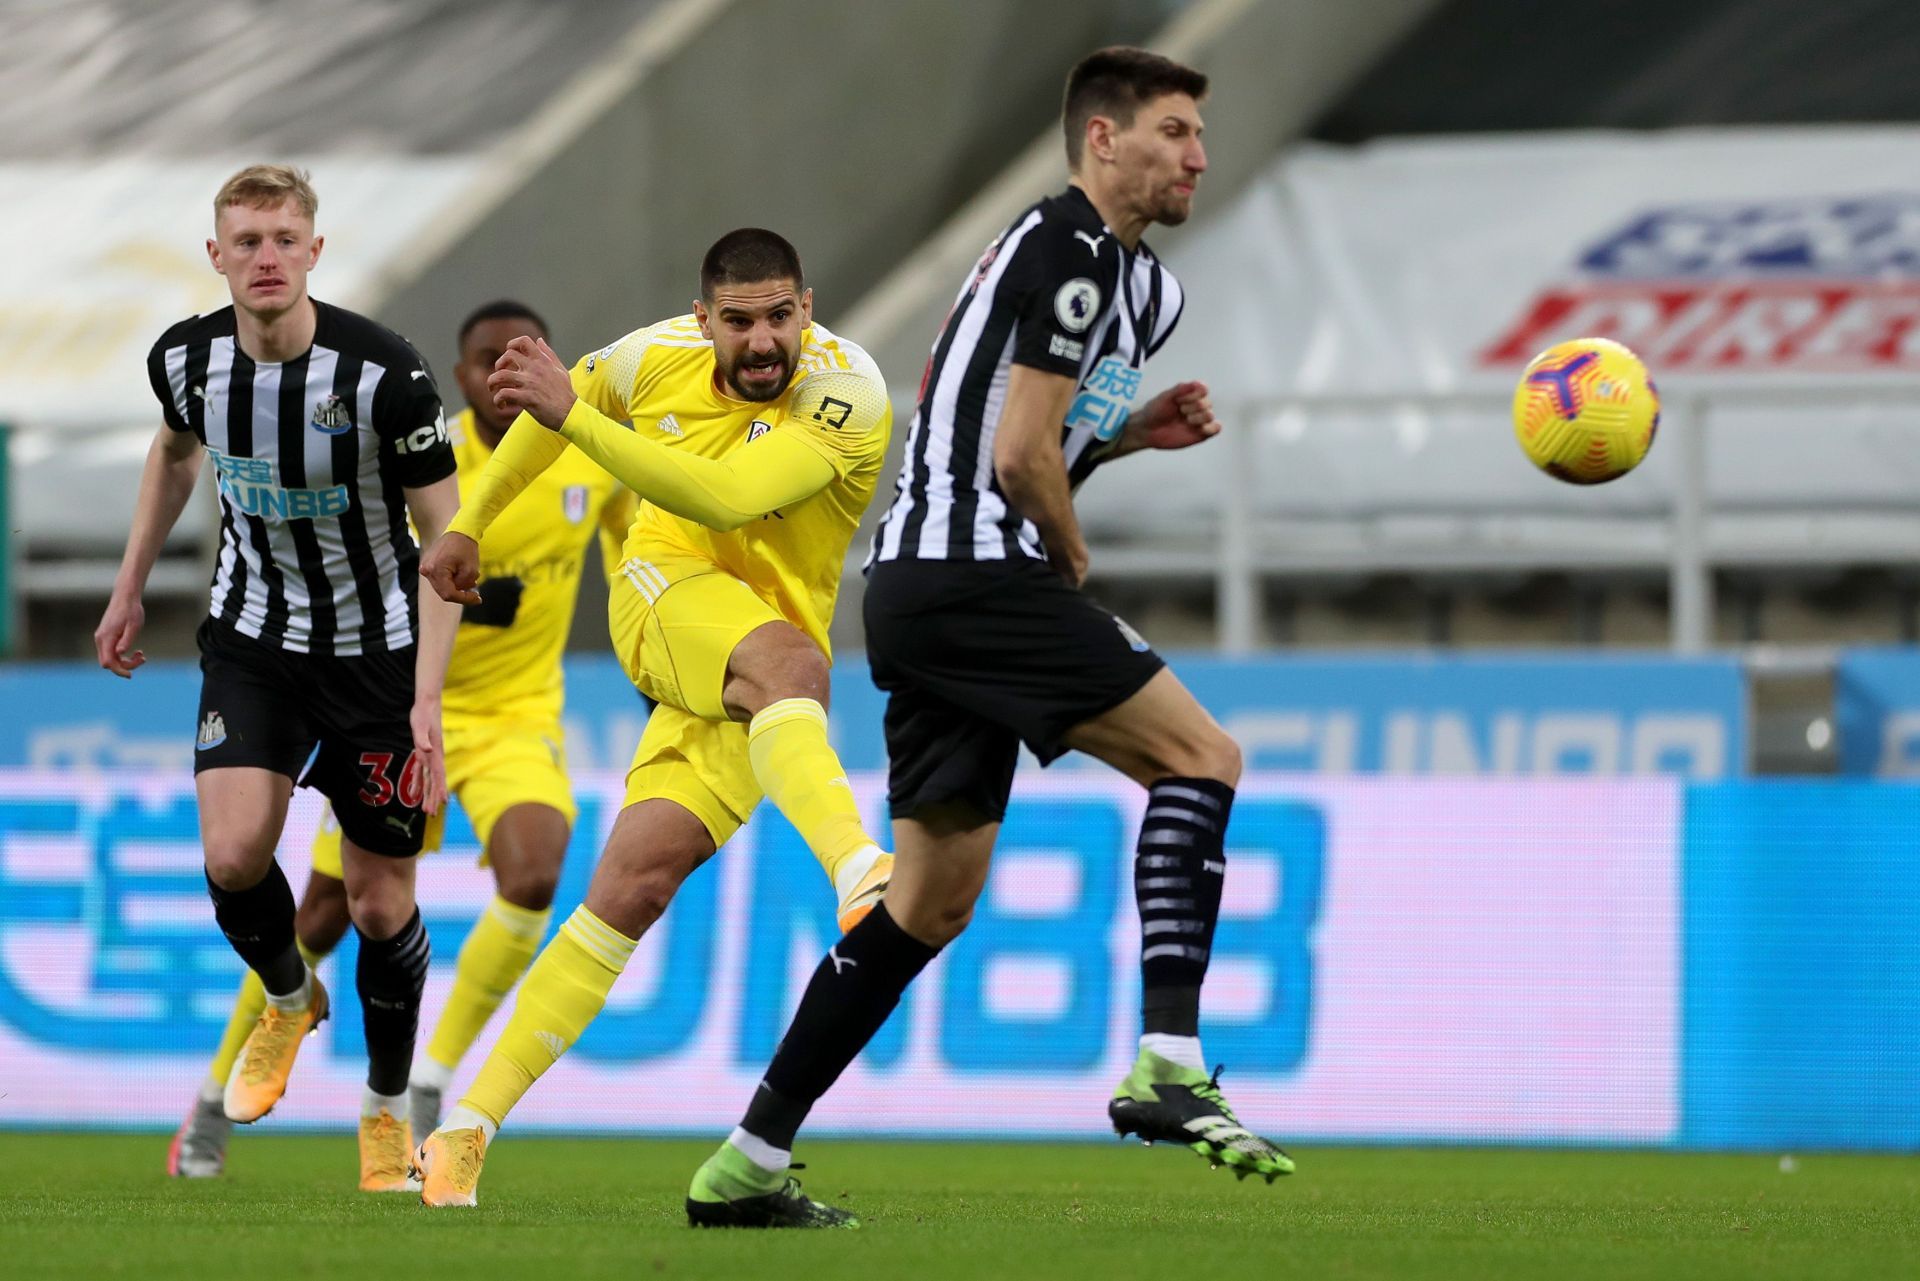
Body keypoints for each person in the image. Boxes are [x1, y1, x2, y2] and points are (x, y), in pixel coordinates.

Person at [685, 47, 1292, 1230]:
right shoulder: (1067, 248)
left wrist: (1130, 441)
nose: (1199, 157)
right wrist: (1070, 553)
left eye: (1202, 137)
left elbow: (1041, 439)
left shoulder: (1136, 288)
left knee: (929, 904)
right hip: (975, 575)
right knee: (1202, 759)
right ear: (1103, 139)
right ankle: (1170, 1057)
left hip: (917, 590)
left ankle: (749, 1160)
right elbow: (1019, 465)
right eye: (1175, 132)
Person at [409, 228, 893, 1207]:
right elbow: (550, 424)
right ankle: (859, 868)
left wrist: (571, 415)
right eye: (741, 321)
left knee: (630, 889)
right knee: (797, 667)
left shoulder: (852, 394)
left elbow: (722, 495)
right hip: (661, 594)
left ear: (807, 306)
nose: (764, 342)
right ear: (703, 317)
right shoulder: (648, 355)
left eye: (781, 317)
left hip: (749, 666)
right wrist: (469, 522)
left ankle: (461, 1133)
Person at [164, 300, 636, 1180]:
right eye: (488, 359)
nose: (507, 371)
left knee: (536, 870)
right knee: (327, 915)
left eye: (525, 353)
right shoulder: (418, 446)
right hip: (394, 705)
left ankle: (429, 1078)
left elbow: (633, 558)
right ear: (461, 380)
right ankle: (211, 1100)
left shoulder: (593, 454)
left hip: (517, 718)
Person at [96, 164, 463, 1192]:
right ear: (217, 257)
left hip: (378, 659)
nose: (266, 257)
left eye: (283, 239)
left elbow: (448, 544)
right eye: (246, 241)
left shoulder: (386, 377)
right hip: (254, 641)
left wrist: (428, 697)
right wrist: (129, 587)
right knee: (231, 856)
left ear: (314, 251)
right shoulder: (187, 360)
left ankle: (387, 1106)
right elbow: (173, 454)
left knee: (384, 907)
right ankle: (290, 997)